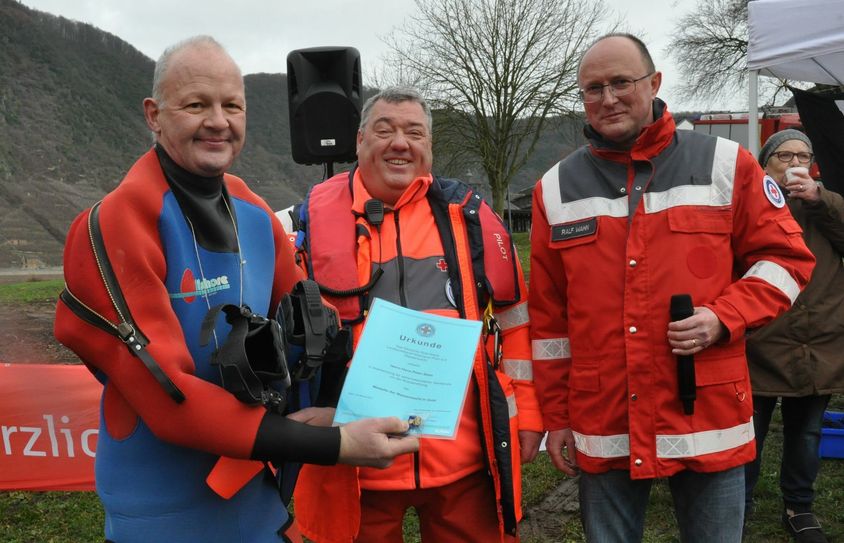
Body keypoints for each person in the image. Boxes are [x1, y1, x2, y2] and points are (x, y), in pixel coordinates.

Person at [53, 36, 418, 543]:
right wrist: (336, 444)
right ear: (154, 115)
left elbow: (313, 327)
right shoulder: (114, 224)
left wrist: (353, 399)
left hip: (253, 495)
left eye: (232, 105)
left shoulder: (249, 207)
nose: (218, 121)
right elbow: (171, 401)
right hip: (161, 509)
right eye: (196, 105)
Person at [528, 33, 816, 542]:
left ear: (655, 83)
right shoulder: (554, 189)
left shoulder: (727, 165)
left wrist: (725, 317)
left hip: (705, 411)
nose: (608, 98)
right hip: (604, 415)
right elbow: (550, 322)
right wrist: (557, 418)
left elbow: (787, 260)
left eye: (622, 82)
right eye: (593, 88)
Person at [291, 86, 544, 543]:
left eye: (415, 132)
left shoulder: (471, 219)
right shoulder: (307, 225)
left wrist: (524, 411)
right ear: (359, 140)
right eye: (384, 130)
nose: (400, 143)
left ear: (429, 146)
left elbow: (515, 318)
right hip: (353, 463)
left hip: (464, 460)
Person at [744, 129, 844, 543]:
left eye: (803, 155)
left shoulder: (827, 206)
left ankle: (798, 508)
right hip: (762, 341)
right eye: (783, 155)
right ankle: (738, 504)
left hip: (819, 341)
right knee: (749, 433)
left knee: (806, 432)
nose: (795, 163)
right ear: (764, 164)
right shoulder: (749, 204)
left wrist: (820, 200)